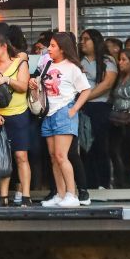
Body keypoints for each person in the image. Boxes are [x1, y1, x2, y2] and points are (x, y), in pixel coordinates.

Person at [30, 33, 91, 207]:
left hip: (64, 112)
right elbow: (41, 91)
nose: (49, 48)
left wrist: (73, 110)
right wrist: (34, 85)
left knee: (61, 155)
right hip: (48, 113)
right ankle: (60, 193)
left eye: (53, 45)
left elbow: (85, 90)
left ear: (63, 49)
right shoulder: (47, 64)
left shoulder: (72, 67)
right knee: (53, 157)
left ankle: (72, 194)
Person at [0, 32, 32, 207]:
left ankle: (25, 196)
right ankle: (3, 197)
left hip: (19, 114)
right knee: (2, 156)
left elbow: (23, 87)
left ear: (4, 47)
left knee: (21, 155)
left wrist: (7, 80)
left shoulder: (20, 63)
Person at [79, 28, 118, 189]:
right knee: (84, 148)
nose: (82, 42)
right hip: (82, 108)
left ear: (95, 41)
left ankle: (103, 183)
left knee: (100, 146)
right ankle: (89, 184)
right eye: (81, 39)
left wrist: (85, 97)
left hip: (100, 107)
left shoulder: (107, 60)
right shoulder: (78, 60)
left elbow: (107, 84)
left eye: (86, 39)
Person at [109, 48, 130, 188]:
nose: (120, 62)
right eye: (119, 59)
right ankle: (123, 184)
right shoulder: (119, 78)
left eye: (123, 60)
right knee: (120, 154)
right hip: (117, 121)